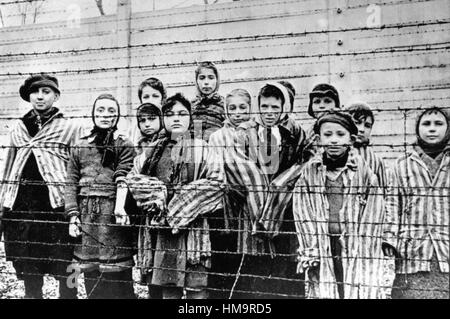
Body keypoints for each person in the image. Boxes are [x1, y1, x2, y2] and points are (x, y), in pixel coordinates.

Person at [0, 74, 82, 299]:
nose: (40, 96)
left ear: (56, 96)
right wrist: (3, 204)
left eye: (46, 92)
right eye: (35, 92)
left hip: (56, 209)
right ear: (28, 96)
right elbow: (7, 168)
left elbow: (78, 167)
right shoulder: (18, 128)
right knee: (29, 266)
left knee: (67, 265)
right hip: (24, 209)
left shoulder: (69, 128)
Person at [293, 112, 385, 299]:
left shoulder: (363, 173)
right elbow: (303, 210)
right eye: (328, 135)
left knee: (353, 288)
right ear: (319, 139)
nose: (334, 140)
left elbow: (374, 213)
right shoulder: (311, 173)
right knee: (326, 288)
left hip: (355, 245)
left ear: (351, 139)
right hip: (323, 244)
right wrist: (311, 248)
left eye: (340, 135)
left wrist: (365, 247)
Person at [127, 93, 210, 299]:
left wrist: (183, 203)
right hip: (162, 227)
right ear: (163, 118)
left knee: (196, 288)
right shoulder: (153, 150)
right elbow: (134, 179)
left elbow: (216, 182)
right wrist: (157, 194)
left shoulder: (202, 148)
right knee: (168, 287)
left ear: (190, 117)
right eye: (170, 114)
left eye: (182, 114)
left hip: (193, 227)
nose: (176, 118)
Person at [231, 82, 306, 298]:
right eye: (264, 107)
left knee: (285, 268)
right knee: (257, 269)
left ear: (284, 107)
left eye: (275, 107)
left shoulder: (295, 131)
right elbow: (239, 166)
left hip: (286, 210)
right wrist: (258, 193)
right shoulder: (245, 132)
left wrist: (282, 187)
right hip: (253, 211)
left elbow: (305, 161)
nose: (269, 113)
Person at [65, 93, 136, 299]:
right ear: (93, 114)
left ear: (118, 116)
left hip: (112, 216)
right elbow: (70, 181)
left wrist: (119, 207)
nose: (106, 115)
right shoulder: (80, 145)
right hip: (87, 217)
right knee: (91, 274)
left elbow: (124, 176)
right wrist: (72, 214)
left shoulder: (124, 144)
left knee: (117, 276)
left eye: (111, 111)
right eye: (101, 111)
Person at [385, 107, 450, 299]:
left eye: (438, 124)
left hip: (445, 249)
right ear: (417, 128)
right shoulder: (402, 164)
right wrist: (390, 237)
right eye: (426, 124)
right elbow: (391, 203)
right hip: (411, 252)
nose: (432, 129)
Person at [191, 61, 226, 142]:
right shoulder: (191, 106)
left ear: (217, 80)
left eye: (211, 77)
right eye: (202, 78)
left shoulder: (224, 105)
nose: (206, 82)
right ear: (196, 81)